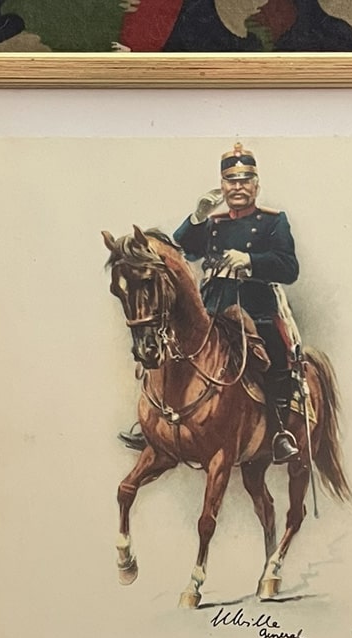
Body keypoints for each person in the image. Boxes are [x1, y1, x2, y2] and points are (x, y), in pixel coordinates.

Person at [119, 142, 301, 463]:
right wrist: (198, 216)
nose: (238, 187)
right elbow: (182, 249)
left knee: (277, 356)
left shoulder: (273, 222)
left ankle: (279, 433)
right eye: (231, 181)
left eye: (245, 181)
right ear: (222, 186)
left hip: (254, 310)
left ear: (256, 186)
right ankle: (153, 426)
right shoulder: (214, 223)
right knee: (167, 350)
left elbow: (289, 268)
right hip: (212, 309)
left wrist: (250, 260)